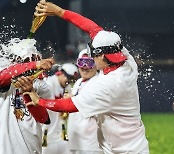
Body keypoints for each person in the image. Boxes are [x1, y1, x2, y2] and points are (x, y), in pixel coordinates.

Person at [26, 2, 149, 153]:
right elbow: (92, 28)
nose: (91, 59)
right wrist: (60, 12)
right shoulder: (126, 59)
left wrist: (39, 101)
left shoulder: (109, 85)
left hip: (125, 151)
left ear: (102, 55)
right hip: (126, 144)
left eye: (93, 55)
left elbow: (70, 105)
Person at [0, 38, 54, 154]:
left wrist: (29, 93)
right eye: (26, 62)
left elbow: (44, 119)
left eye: (33, 59)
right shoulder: (7, 81)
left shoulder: (43, 86)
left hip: (29, 148)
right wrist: (34, 64)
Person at [67, 49, 103, 154]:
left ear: (96, 65)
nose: (85, 67)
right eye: (81, 62)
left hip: (91, 144)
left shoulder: (99, 82)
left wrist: (69, 99)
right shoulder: (79, 82)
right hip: (76, 141)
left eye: (89, 62)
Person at [42, 63, 78, 154]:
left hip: (59, 132)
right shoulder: (48, 84)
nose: (69, 81)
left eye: (71, 79)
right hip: (46, 132)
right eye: (68, 78)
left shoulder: (67, 87)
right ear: (60, 73)